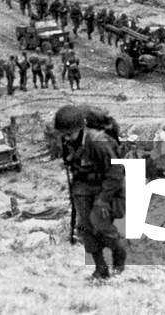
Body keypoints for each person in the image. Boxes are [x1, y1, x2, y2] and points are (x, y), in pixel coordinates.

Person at [54, 105, 126, 280]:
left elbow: (116, 172)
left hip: (105, 188)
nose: (66, 138)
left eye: (69, 134)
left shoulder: (99, 142)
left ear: (81, 128)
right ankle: (100, 269)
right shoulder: (68, 140)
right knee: (86, 229)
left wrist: (103, 199)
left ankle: (119, 255)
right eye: (64, 134)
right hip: (83, 187)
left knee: (101, 226)